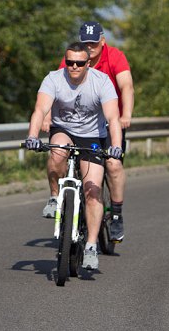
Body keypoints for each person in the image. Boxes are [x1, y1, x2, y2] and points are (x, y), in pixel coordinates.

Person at [25, 42, 123, 271]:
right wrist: (32, 135)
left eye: (80, 63)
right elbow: (40, 110)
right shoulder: (54, 79)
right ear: (65, 61)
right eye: (70, 62)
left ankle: (90, 246)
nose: (74, 67)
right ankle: (53, 197)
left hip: (93, 136)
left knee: (93, 190)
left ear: (88, 63)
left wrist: (116, 146)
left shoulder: (101, 82)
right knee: (57, 152)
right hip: (64, 131)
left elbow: (113, 118)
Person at [41, 21, 134, 244]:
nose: (90, 47)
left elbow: (126, 86)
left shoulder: (115, 57)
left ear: (102, 42)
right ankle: (64, 197)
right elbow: (54, 88)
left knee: (113, 164)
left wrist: (126, 115)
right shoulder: (73, 58)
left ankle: (117, 214)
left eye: (93, 43)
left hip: (110, 122)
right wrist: (46, 116)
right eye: (86, 43)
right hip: (76, 123)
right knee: (59, 153)